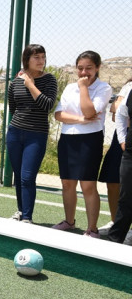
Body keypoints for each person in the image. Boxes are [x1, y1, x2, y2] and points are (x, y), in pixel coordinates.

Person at [53, 50, 112, 238]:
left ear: (98, 68)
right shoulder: (69, 88)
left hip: (90, 139)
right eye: (80, 68)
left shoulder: (104, 88)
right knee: (67, 183)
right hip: (67, 139)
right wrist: (79, 119)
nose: (84, 73)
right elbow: (58, 115)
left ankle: (92, 229)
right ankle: (69, 221)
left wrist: (84, 88)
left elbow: (90, 111)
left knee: (87, 185)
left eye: (89, 68)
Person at [6, 44, 58, 223]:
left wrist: (31, 85)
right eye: (36, 57)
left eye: (43, 57)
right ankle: (20, 211)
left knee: (28, 177)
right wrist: (24, 83)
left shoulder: (49, 80)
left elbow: (48, 105)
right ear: (27, 59)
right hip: (15, 133)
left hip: (36, 135)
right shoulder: (15, 82)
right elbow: (13, 108)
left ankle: (27, 218)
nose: (41, 61)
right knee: (19, 177)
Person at [97, 77, 132, 235]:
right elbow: (115, 111)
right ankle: (115, 222)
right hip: (122, 137)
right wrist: (123, 138)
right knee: (112, 180)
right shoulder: (129, 86)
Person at [108, 92, 132, 244]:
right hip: (130, 153)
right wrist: (122, 139)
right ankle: (114, 241)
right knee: (126, 199)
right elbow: (121, 114)